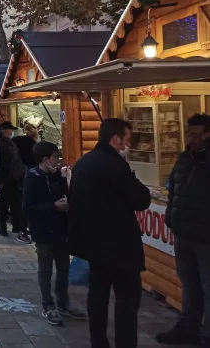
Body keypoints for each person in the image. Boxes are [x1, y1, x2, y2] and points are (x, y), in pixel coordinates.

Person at [70, 118, 151, 348]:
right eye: (126, 139)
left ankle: (99, 341)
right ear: (115, 139)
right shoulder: (114, 165)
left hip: (93, 245)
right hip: (120, 246)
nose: (127, 145)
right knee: (127, 300)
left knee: (98, 295)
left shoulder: (84, 162)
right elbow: (141, 199)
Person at [156, 114, 210, 347]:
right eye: (189, 133)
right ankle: (188, 329)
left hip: (206, 236)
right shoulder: (184, 158)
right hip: (183, 232)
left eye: (196, 135)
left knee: (208, 287)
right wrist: (171, 219)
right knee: (190, 284)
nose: (190, 138)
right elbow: (174, 191)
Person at [23, 141, 86, 326]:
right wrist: (54, 206)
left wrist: (67, 197)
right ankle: (47, 305)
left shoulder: (57, 176)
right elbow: (27, 207)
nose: (57, 161)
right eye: (55, 157)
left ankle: (63, 303)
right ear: (45, 159)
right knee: (45, 270)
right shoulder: (32, 178)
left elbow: (66, 196)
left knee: (64, 268)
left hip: (60, 229)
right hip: (43, 232)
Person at [0, 122, 25, 240]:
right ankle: (3, 228)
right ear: (3, 130)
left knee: (15, 204)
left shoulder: (10, 143)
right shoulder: (0, 144)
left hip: (13, 178)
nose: (11, 132)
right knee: (3, 204)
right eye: (9, 130)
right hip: (4, 178)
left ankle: (16, 226)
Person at [14, 121, 39, 244]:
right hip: (30, 174)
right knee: (28, 203)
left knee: (22, 203)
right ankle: (24, 230)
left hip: (19, 175)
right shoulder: (33, 146)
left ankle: (21, 229)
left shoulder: (17, 142)